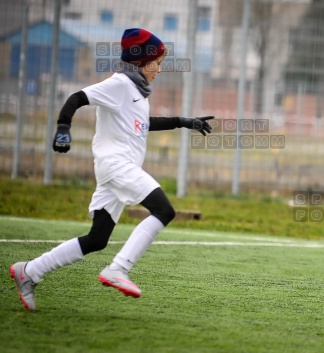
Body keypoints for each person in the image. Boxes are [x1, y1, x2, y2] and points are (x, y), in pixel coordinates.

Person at [10, 28, 213, 311]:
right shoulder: (118, 84)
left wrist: (183, 121)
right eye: (158, 61)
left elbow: (143, 123)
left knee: (97, 239)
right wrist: (63, 128)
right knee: (164, 211)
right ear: (141, 60)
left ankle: (29, 271)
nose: (160, 68)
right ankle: (118, 269)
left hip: (116, 170)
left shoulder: (138, 92)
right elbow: (76, 98)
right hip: (116, 166)